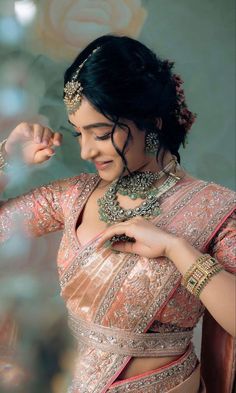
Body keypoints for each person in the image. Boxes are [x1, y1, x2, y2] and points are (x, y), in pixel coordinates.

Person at [0, 34, 235, 393]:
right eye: (79, 134)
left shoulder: (215, 208)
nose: (85, 151)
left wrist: (176, 249)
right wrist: (7, 158)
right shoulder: (73, 195)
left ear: (151, 122)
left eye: (100, 133)